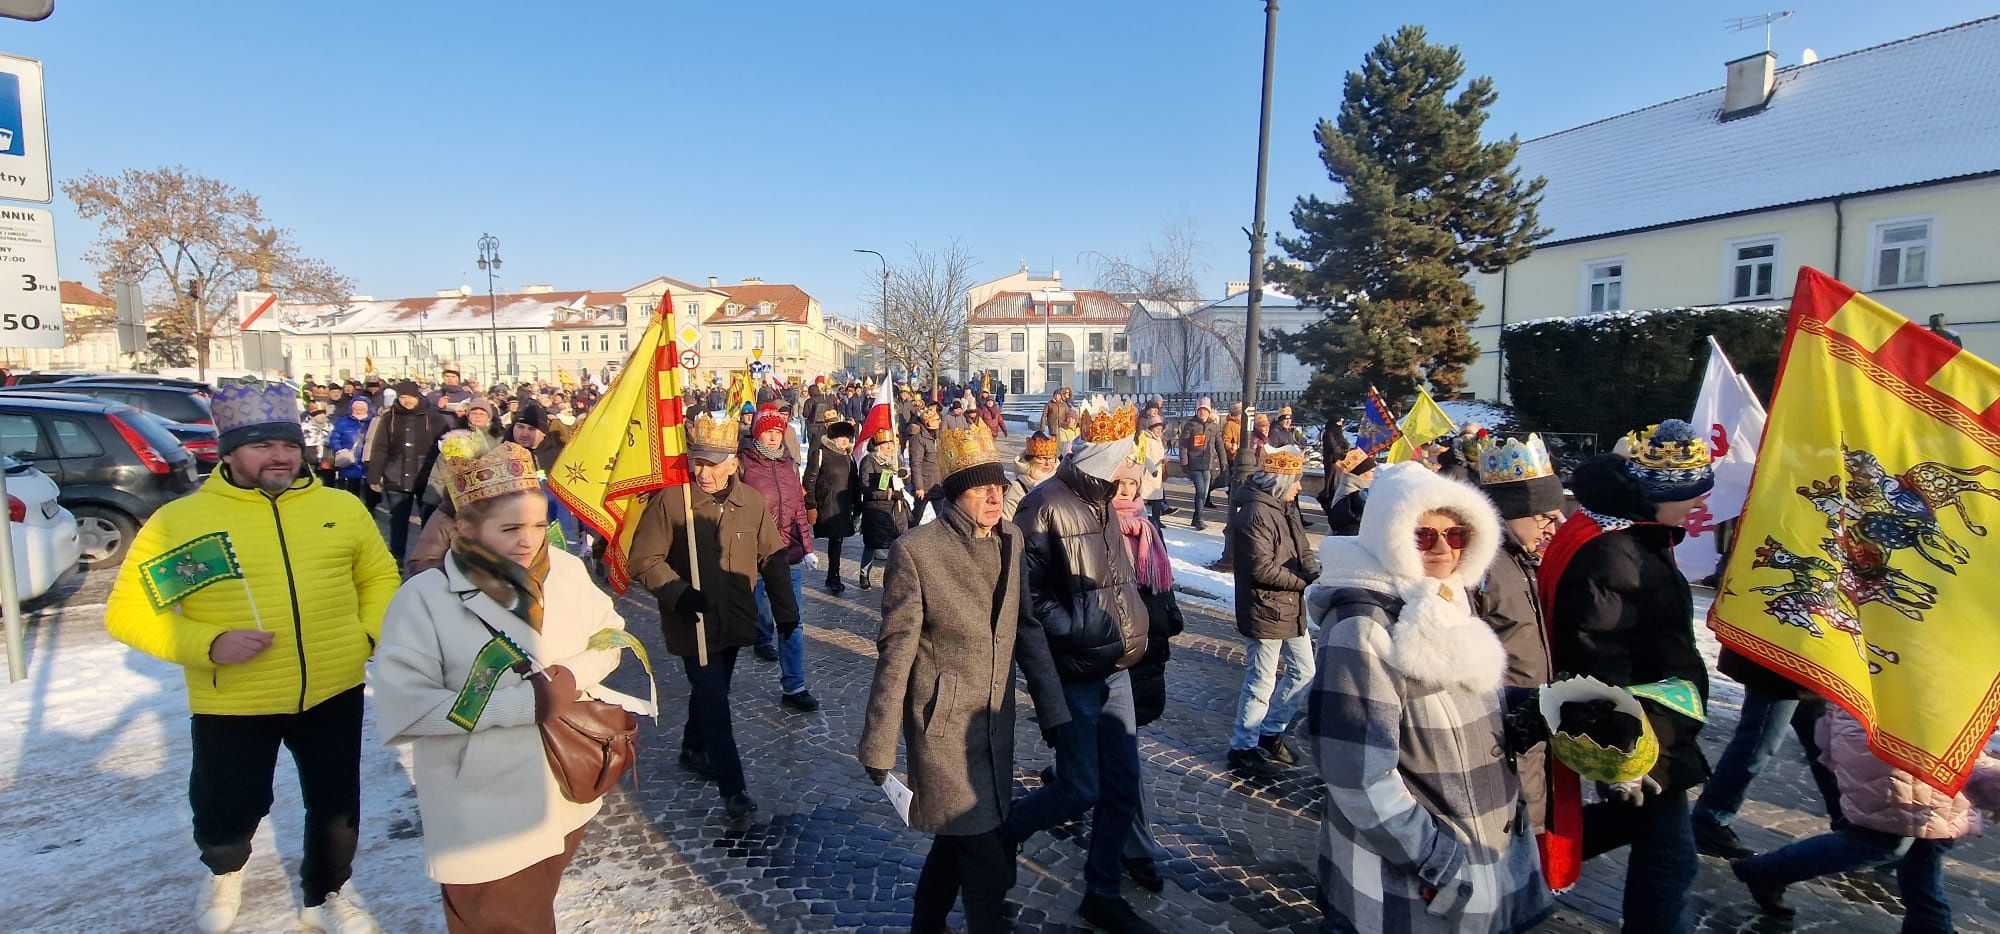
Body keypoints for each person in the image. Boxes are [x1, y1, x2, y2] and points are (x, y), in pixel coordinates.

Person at [105, 383, 401, 934]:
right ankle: (224, 873)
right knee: (227, 808)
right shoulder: (182, 522)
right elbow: (127, 613)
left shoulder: (340, 508)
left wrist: (369, 634)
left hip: (334, 687)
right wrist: (208, 644)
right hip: (234, 696)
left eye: (288, 444)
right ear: (230, 451)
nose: (281, 456)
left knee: (337, 805)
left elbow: (379, 578)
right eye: (262, 445)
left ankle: (325, 894)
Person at [373, 440, 647, 933]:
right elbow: (407, 709)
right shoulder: (426, 600)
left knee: (533, 908)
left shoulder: (565, 570)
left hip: (567, 787)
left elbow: (611, 635)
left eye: (540, 525)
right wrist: (526, 704)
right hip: (482, 806)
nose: (530, 540)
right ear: (465, 529)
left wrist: (571, 676)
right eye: (511, 528)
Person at [1305, 462, 1555, 933]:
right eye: (1423, 536)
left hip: (1484, 854)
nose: (1443, 548)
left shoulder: (1448, 600)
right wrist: (1439, 861)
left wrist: (1533, 709)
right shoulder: (1363, 626)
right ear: (1391, 536)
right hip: (1413, 884)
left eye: (1456, 534)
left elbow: (1460, 704)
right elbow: (1356, 772)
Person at [859, 420, 1070, 934]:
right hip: (944, 729)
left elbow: (1026, 629)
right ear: (957, 494)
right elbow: (896, 650)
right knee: (986, 857)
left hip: (993, 724)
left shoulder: (1012, 541)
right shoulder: (918, 551)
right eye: (981, 488)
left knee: (959, 838)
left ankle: (926, 925)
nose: (995, 497)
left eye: (999, 486)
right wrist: (880, 743)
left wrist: (1054, 712)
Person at [1539, 420, 1714, 930]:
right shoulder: (1617, 552)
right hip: (1645, 728)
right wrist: (1628, 748)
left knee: (1638, 832)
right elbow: (1601, 653)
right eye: (1692, 494)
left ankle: (1519, 860)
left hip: (1650, 722)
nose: (1701, 505)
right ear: (1659, 496)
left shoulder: (1617, 531)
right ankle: (1515, 863)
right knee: (1671, 859)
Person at [1001, 399, 1157, 933]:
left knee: (1122, 783)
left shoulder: (1104, 500)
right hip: (1074, 671)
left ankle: (1102, 889)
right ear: (1104, 457)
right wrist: (1079, 628)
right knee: (1080, 788)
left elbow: (1114, 579)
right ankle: (1003, 833)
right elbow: (1027, 597)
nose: (1131, 470)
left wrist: (1133, 622)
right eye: (1124, 459)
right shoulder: (1044, 505)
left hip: (1115, 667)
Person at [628, 412, 797, 821]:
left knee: (712, 688)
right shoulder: (672, 502)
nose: (702, 471)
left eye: (712, 463)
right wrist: (680, 595)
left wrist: (785, 613)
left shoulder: (751, 502)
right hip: (693, 622)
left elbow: (772, 560)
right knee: (716, 700)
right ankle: (733, 789)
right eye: (697, 462)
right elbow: (643, 560)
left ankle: (691, 747)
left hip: (735, 619)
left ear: (733, 463)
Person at [1729, 710, 2000, 928]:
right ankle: (1765, 871)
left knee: (1926, 843)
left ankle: (1929, 923)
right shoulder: (1940, 668)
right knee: (1881, 841)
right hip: (1900, 762)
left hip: (1881, 748)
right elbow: (1957, 746)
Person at [1468, 435, 1565, 842]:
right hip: (1500, 725)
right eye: (1544, 516)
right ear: (1511, 512)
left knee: (1537, 819)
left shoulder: (1525, 559)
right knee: (1512, 825)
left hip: (1534, 715)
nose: (1554, 524)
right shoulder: (1479, 566)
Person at [1689, 648, 1844, 859]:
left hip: (1812, 661)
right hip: (1779, 661)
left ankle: (1850, 823)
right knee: (1758, 743)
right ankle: (1709, 820)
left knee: (1825, 746)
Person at [1223, 444, 1320, 776]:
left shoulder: (1284, 506)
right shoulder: (1255, 514)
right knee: (1261, 680)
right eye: (1295, 480)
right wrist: (1303, 582)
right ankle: (1243, 745)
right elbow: (1260, 569)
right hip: (1265, 607)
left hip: (1290, 606)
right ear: (1280, 480)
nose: (1299, 486)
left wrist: (1312, 571)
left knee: (1305, 671)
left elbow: (1302, 546)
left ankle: (1271, 729)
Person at [737, 404, 821, 712]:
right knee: (756, 610)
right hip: (753, 554)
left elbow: (799, 507)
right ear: (758, 433)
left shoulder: (788, 464)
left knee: (792, 621)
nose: (774, 438)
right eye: (769, 433)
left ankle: (794, 685)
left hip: (787, 554)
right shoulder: (743, 464)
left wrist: (808, 548)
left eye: (778, 432)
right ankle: (760, 638)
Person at [367, 381, 451, 562]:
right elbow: (380, 447)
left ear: (418, 396)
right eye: (402, 397)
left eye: (410, 397)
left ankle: (429, 560)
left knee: (429, 522)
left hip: (426, 476)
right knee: (398, 521)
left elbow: (445, 446)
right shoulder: (389, 418)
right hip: (396, 475)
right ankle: (397, 559)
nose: (406, 401)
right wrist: (375, 475)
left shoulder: (434, 418)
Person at [805, 419, 861, 595]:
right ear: (833, 438)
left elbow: (854, 482)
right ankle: (833, 576)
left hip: (843, 505)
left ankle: (833, 575)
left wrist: (857, 505)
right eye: (841, 437)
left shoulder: (848, 456)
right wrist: (811, 505)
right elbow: (809, 480)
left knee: (837, 540)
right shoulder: (821, 454)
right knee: (835, 539)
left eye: (847, 437)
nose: (844, 440)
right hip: (827, 504)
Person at [856, 429, 909, 591]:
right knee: (872, 544)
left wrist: (905, 476)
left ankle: (896, 577)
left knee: (898, 545)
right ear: (878, 446)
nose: (889, 448)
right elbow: (865, 487)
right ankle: (864, 573)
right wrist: (889, 494)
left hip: (896, 509)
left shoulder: (896, 460)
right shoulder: (869, 461)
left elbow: (904, 482)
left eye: (891, 444)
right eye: (886, 445)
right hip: (876, 510)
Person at [1177, 398, 1224, 528]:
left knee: (1204, 492)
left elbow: (1219, 445)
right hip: (1194, 464)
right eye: (1200, 410)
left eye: (1205, 410)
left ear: (1209, 412)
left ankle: (1196, 517)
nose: (1202, 413)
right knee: (1201, 490)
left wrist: (1223, 463)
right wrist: (1184, 462)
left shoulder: (1213, 427)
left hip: (1207, 465)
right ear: (1197, 411)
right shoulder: (1190, 425)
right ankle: (1198, 518)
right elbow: (1183, 445)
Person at [1006, 432, 1061, 522]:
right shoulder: (1017, 488)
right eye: (1041, 458)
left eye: (1051, 458)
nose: (1047, 464)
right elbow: (1007, 523)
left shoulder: (1060, 483)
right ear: (1030, 460)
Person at [328, 398, 375, 505]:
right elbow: (334, 437)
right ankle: (352, 507)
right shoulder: (343, 421)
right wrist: (339, 450)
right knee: (352, 488)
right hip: (349, 458)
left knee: (371, 489)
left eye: (361, 408)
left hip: (368, 459)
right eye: (355, 408)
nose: (358, 410)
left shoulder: (373, 421)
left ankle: (370, 509)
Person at [907, 404, 944, 526]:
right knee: (916, 516)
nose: (939, 421)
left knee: (944, 516)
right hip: (925, 485)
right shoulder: (918, 438)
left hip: (937, 484)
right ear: (928, 422)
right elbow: (915, 463)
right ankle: (907, 538)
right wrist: (919, 487)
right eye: (936, 419)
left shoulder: (936, 435)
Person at [1137, 414, 1171, 530]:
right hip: (1149, 473)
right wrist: (1153, 469)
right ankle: (1142, 518)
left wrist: (1163, 460)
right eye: (1157, 428)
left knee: (1157, 499)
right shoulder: (1146, 439)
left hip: (1157, 473)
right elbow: (1144, 456)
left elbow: (1158, 455)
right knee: (1144, 497)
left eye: (1160, 429)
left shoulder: (1158, 440)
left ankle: (1156, 520)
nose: (1159, 431)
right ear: (1151, 428)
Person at [302, 403, 335, 488]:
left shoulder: (331, 427)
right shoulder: (304, 427)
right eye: (318, 414)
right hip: (310, 458)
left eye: (323, 414)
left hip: (327, 458)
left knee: (327, 483)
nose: (322, 416)